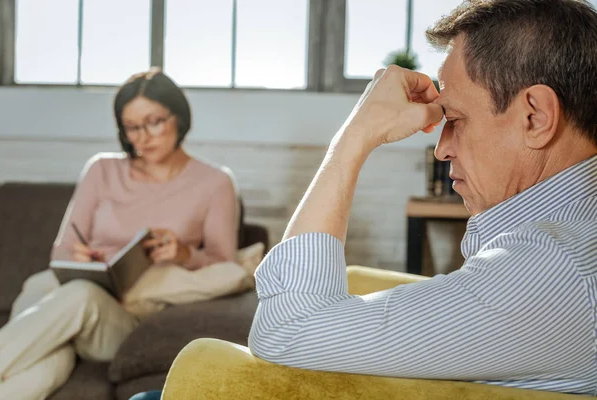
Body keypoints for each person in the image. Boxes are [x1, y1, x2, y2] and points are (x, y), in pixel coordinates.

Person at [247, 0, 597, 396]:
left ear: (535, 116)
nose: (441, 149)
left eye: (456, 120)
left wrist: (351, 140)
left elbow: (285, 331)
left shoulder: (548, 267)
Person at [0, 68, 250, 400]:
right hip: (51, 295)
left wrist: (183, 254)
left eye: (154, 121)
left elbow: (224, 266)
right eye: (132, 127)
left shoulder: (215, 183)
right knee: (48, 364)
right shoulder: (101, 169)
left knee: (82, 296)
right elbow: (61, 253)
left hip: (114, 315)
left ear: (179, 116)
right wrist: (80, 259)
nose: (143, 136)